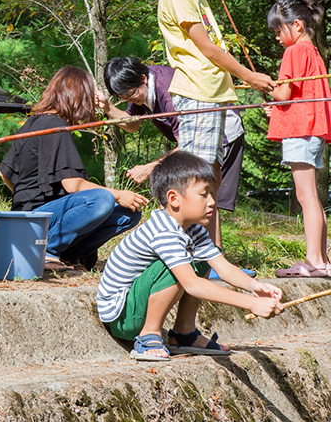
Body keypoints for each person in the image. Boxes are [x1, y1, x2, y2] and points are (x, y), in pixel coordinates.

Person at [97, 151, 283, 361]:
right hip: (122, 316)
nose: (212, 202)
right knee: (177, 268)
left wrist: (255, 287)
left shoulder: (192, 229)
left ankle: (184, 333)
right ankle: (149, 334)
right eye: (204, 194)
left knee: (201, 262)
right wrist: (250, 303)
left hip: (136, 305)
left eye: (212, 194)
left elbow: (223, 267)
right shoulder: (164, 231)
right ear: (174, 198)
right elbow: (192, 285)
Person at [154, 0, 274, 234]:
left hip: (214, 92)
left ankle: (212, 254)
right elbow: (208, 49)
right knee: (193, 182)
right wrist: (250, 76)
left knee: (210, 181)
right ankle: (179, 251)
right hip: (197, 93)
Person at [0, 67, 147, 275]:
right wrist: (118, 194)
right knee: (101, 199)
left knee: (128, 213)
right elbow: (73, 184)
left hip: (30, 220)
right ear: (77, 97)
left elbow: (4, 174)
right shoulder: (56, 125)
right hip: (37, 221)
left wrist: (24, 198)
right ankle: (46, 250)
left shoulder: (31, 123)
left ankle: (67, 254)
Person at [102, 56, 246, 247]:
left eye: (131, 95)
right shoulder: (140, 86)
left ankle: (211, 255)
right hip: (192, 139)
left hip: (222, 133)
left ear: (143, 79)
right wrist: (107, 107)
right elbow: (132, 124)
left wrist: (151, 167)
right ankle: (204, 254)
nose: (131, 100)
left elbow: (185, 147)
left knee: (202, 192)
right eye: (124, 98)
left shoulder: (168, 90)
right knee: (195, 192)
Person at [266, 0, 331, 277]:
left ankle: (314, 261)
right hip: (311, 129)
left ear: (297, 25)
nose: (278, 37)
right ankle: (323, 260)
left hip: (301, 132)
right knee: (312, 197)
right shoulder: (313, 51)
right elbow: (295, 97)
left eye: (279, 30)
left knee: (306, 197)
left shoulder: (294, 53)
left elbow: (282, 93)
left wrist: (264, 83)